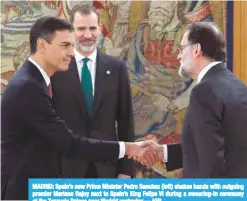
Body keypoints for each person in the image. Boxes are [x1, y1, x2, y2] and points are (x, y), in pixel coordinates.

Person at [1, 16, 158, 200]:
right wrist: (130, 149)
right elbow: (69, 143)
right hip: (23, 191)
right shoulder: (28, 87)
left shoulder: (34, 80)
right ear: (42, 45)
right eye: (65, 45)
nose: (72, 52)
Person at [141, 22, 247, 178]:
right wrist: (162, 152)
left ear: (196, 49)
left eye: (182, 49)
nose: (178, 56)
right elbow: (212, 147)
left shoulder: (203, 91)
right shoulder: (239, 86)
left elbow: (211, 162)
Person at [51, 4, 135, 179]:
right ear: (71, 31)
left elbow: (126, 122)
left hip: (108, 170)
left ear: (100, 29)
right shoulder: (56, 70)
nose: (88, 35)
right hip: (66, 172)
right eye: (81, 29)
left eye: (92, 28)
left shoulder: (117, 68)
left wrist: (126, 170)